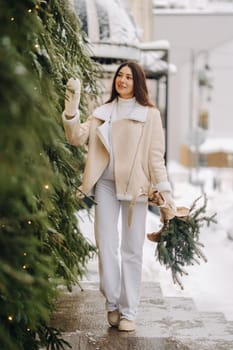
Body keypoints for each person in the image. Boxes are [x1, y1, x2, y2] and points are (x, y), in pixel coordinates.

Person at [62, 61, 175, 332]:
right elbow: (76, 138)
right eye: (120, 76)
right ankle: (112, 303)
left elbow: (155, 158)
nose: (122, 81)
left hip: (135, 189)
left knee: (132, 250)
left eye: (129, 77)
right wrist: (71, 106)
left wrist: (166, 194)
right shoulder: (103, 112)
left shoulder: (149, 115)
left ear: (138, 83)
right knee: (106, 244)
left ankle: (129, 311)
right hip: (105, 185)